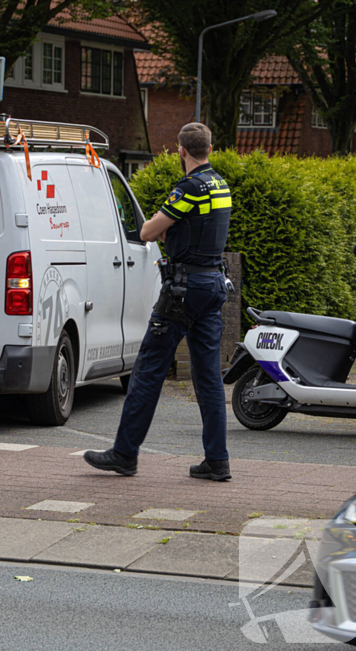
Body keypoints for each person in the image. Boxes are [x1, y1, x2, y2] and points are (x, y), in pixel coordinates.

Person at [83, 122, 233, 481]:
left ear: (181, 151)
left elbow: (148, 231)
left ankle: (124, 453)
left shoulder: (189, 188)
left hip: (184, 289)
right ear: (209, 149)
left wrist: (163, 227)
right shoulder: (221, 185)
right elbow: (200, 228)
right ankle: (217, 460)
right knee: (209, 377)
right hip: (213, 284)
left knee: (148, 369)